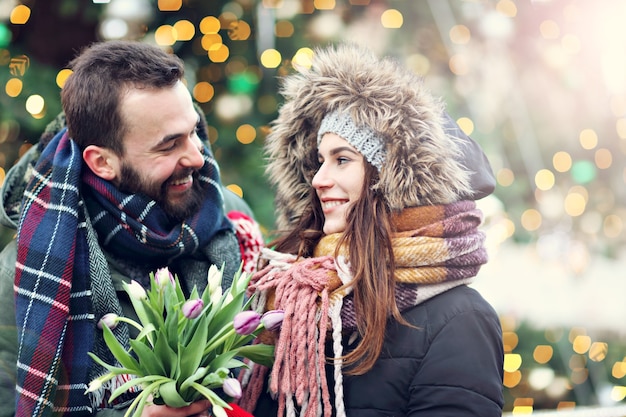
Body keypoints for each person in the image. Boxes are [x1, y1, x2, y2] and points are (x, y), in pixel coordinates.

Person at [236, 43, 504, 417]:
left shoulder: (460, 318)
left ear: (390, 180)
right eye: (318, 161)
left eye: (342, 160)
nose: (318, 179)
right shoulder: (289, 301)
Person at [0, 41, 262, 417]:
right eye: (169, 145)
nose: (197, 157)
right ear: (103, 162)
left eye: (193, 132)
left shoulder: (230, 218)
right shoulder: (29, 271)